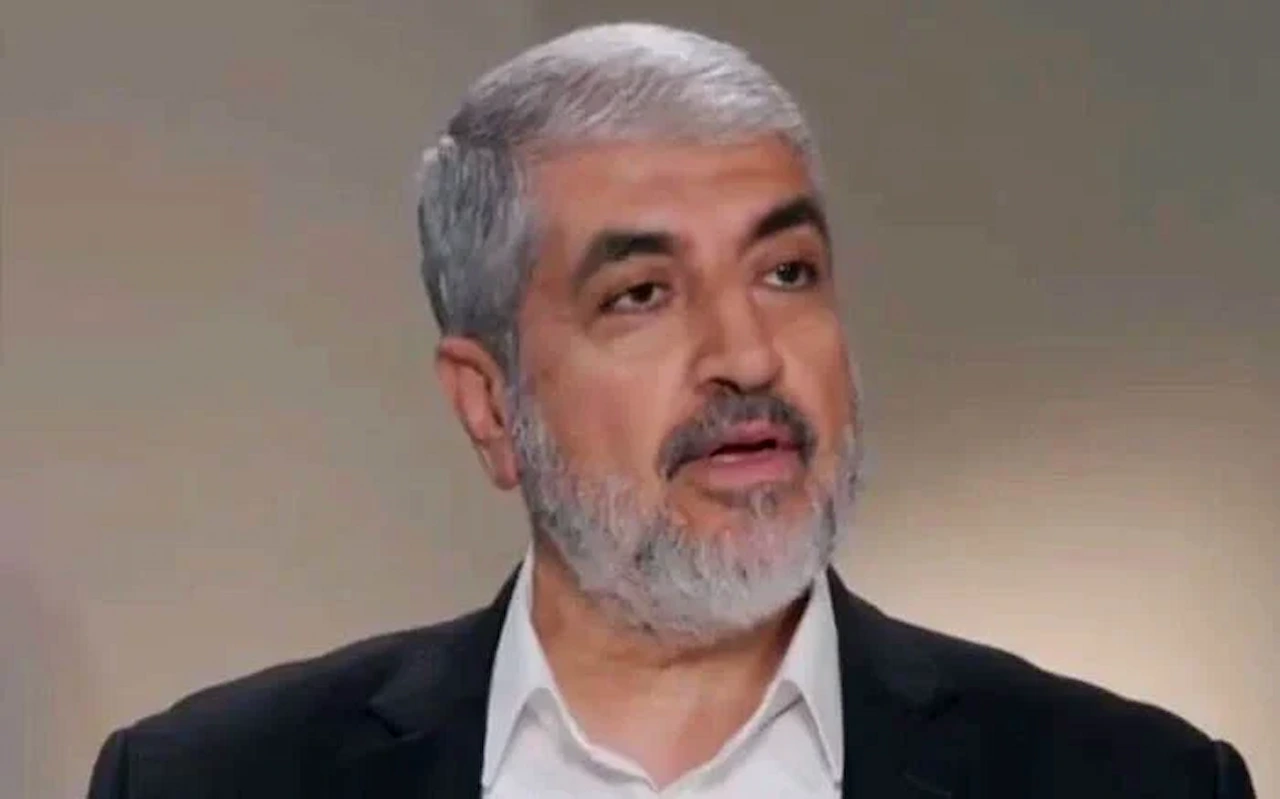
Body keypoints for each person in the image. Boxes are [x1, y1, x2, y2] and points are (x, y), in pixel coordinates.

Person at [87, 22, 1255, 799]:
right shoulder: (208, 782)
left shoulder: (1134, 782)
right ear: (487, 405)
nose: (746, 355)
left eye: (786, 272)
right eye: (640, 294)